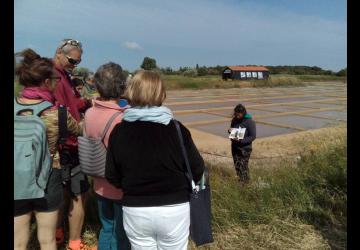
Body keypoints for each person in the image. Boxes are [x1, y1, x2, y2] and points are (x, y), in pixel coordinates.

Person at [105, 70, 205, 250]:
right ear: (161, 93)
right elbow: (197, 168)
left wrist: (133, 186)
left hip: (135, 208)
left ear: (131, 92)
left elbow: (111, 175)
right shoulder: (176, 128)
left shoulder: (119, 131)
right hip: (174, 207)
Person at [14, 49, 82, 250]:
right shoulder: (57, 114)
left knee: (17, 241)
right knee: (47, 239)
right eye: (54, 79)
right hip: (49, 175)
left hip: (16, 177)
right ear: (45, 82)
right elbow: (79, 131)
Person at [83, 62, 130, 250]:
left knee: (107, 227)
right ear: (121, 85)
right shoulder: (124, 116)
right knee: (121, 232)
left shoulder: (89, 113)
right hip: (120, 186)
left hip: (99, 182)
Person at [52, 38, 91, 250]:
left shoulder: (62, 74)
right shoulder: (55, 77)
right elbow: (61, 111)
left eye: (78, 62)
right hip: (67, 143)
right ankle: (75, 242)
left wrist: (86, 102)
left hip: (64, 142)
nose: (74, 65)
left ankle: (57, 233)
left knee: (62, 192)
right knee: (79, 193)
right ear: (59, 52)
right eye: (71, 61)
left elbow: (71, 104)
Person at [228, 104, 256, 184]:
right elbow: (232, 130)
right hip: (234, 146)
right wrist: (230, 131)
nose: (237, 116)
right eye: (235, 114)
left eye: (238, 114)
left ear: (243, 113)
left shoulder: (250, 122)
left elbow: (253, 136)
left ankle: (246, 182)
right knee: (237, 165)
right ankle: (240, 180)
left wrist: (242, 141)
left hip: (245, 148)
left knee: (243, 166)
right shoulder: (234, 120)